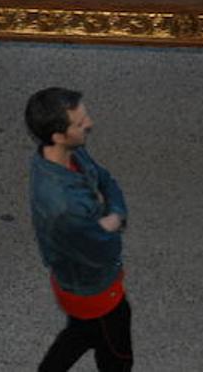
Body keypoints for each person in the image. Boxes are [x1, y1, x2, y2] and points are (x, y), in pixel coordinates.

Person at [26, 88, 132, 372]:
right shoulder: (63, 206)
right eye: (80, 121)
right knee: (117, 357)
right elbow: (106, 249)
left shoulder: (70, 153)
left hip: (77, 283)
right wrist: (112, 223)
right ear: (58, 136)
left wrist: (115, 216)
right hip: (95, 289)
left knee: (81, 333)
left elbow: (106, 180)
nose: (90, 123)